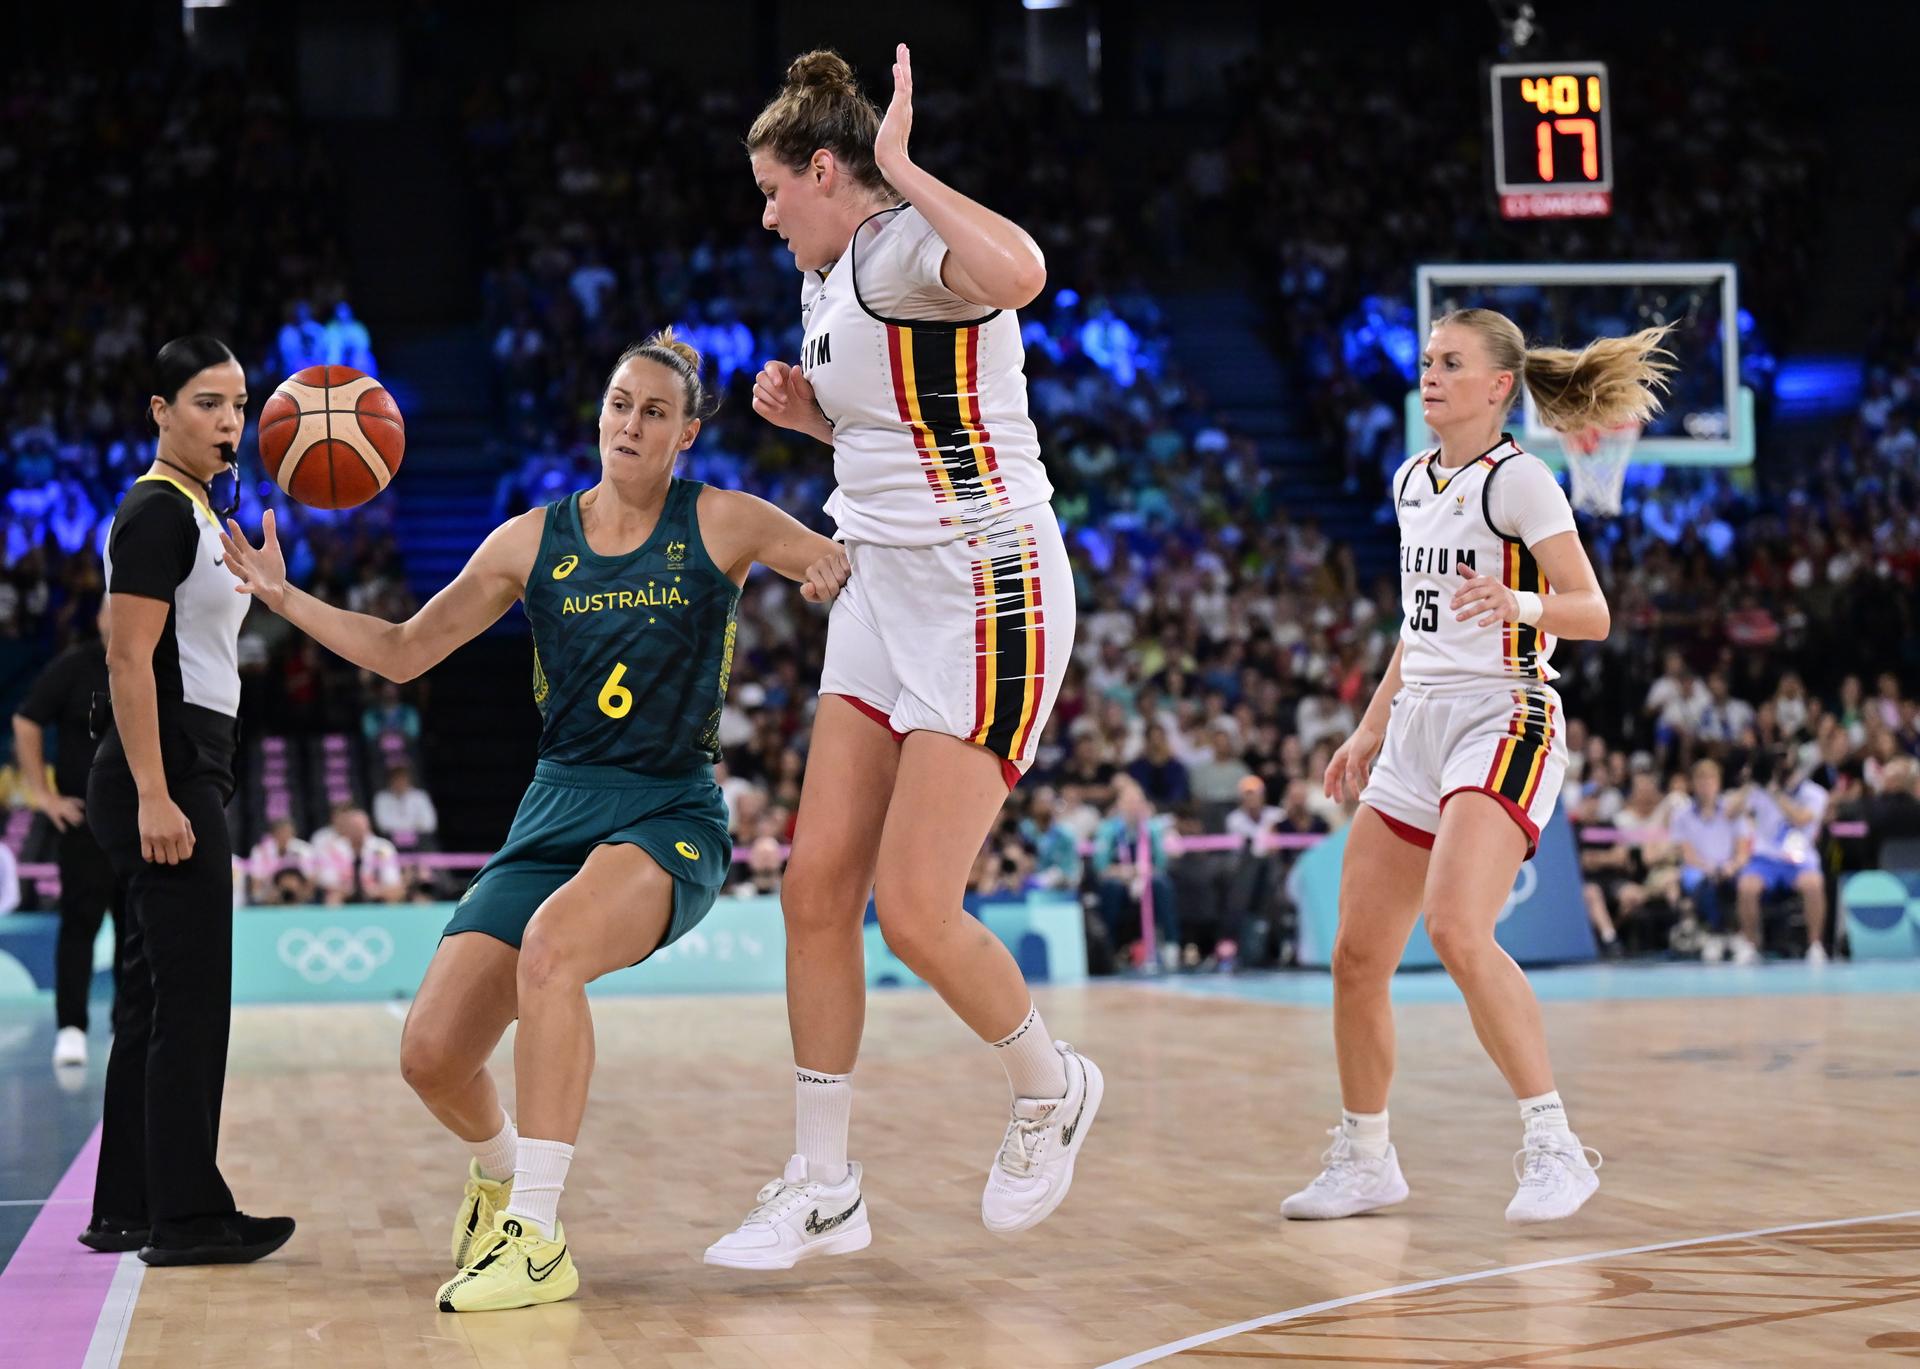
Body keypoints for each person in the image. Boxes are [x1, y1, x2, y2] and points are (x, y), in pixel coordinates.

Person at [222, 329, 850, 1312]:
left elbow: (836, 561)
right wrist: (281, 593)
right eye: (617, 402)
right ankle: (503, 1169)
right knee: (430, 1055)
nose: (628, 423)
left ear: (686, 432)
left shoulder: (723, 522)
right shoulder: (529, 540)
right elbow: (400, 650)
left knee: (552, 948)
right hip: (555, 804)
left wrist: (819, 571)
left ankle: (541, 1236)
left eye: (652, 410)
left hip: (667, 812)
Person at [705, 46, 1097, 1272]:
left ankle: (1052, 1086)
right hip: (878, 583)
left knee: (916, 910)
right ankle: (825, 1184)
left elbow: (1022, 273)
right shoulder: (830, 281)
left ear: (828, 170)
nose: (766, 217)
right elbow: (913, 416)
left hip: (990, 591)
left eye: (776, 191)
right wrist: (812, 422)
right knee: (816, 884)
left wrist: (906, 169)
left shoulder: (903, 247)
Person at [1282, 309, 1672, 1226]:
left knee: (1456, 926)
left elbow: (1592, 612)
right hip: (1418, 720)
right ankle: (1366, 1157)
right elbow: (1418, 629)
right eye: (1426, 361)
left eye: (1450, 364)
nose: (1430, 375)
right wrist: (1370, 726)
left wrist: (1519, 600)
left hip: (1505, 710)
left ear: (1498, 386)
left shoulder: (1522, 480)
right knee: (1356, 955)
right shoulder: (1411, 478)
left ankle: (1554, 1144)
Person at [82, 336, 296, 1265]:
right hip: (162, 762)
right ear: (161, 411)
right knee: (193, 998)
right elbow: (129, 659)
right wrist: (156, 793)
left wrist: (270, 586)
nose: (229, 422)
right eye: (206, 403)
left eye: (239, 405)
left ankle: (129, 1203)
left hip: (183, 757)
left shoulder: (203, 514)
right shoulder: (155, 513)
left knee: (152, 994)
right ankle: (188, 1216)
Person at [12, 603, 122, 1067]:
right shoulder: (75, 665)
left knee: (138, 930)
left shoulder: (162, 660)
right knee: (78, 926)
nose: (113, 614)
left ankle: (128, 1026)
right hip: (82, 821)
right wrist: (43, 794)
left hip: (141, 822)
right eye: (106, 606)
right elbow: (26, 719)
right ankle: (71, 1028)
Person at [1731, 751, 1830, 964]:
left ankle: (1815, 945)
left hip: (1799, 859)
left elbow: (1801, 819)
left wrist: (1776, 794)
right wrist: (1751, 783)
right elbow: (1729, 812)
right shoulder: (1759, 791)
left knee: (1813, 884)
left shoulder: (1814, 793)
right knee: (1747, 887)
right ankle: (1750, 944)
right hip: (1765, 860)